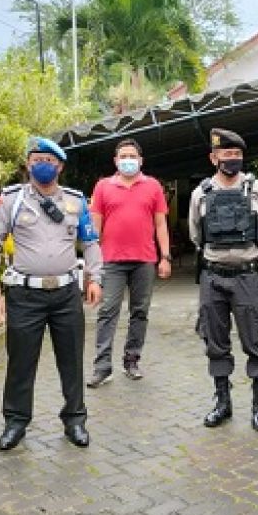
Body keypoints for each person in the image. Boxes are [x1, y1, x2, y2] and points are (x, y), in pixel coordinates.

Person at [0, 136, 103, 452]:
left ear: (59, 166)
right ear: (28, 164)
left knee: (71, 360)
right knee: (20, 362)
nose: (42, 165)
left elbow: (90, 243)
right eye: (37, 160)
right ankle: (15, 422)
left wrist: (94, 278)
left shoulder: (76, 202)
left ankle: (75, 420)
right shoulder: (12, 200)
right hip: (25, 295)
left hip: (66, 294)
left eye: (49, 161)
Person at [188, 128, 258, 431]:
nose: (232, 159)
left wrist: (249, 253)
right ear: (213, 158)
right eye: (226, 154)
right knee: (215, 341)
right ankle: (222, 402)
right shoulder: (201, 193)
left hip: (248, 276)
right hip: (212, 276)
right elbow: (196, 234)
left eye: (237, 154)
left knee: (256, 340)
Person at [86, 138, 171, 387]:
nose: (128, 160)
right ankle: (102, 367)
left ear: (141, 160)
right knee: (107, 311)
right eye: (123, 156)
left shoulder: (153, 186)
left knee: (140, 312)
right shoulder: (103, 186)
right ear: (115, 161)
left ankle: (132, 360)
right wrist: (93, 265)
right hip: (111, 260)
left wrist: (165, 257)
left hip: (144, 260)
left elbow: (160, 224)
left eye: (132, 156)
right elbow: (95, 228)